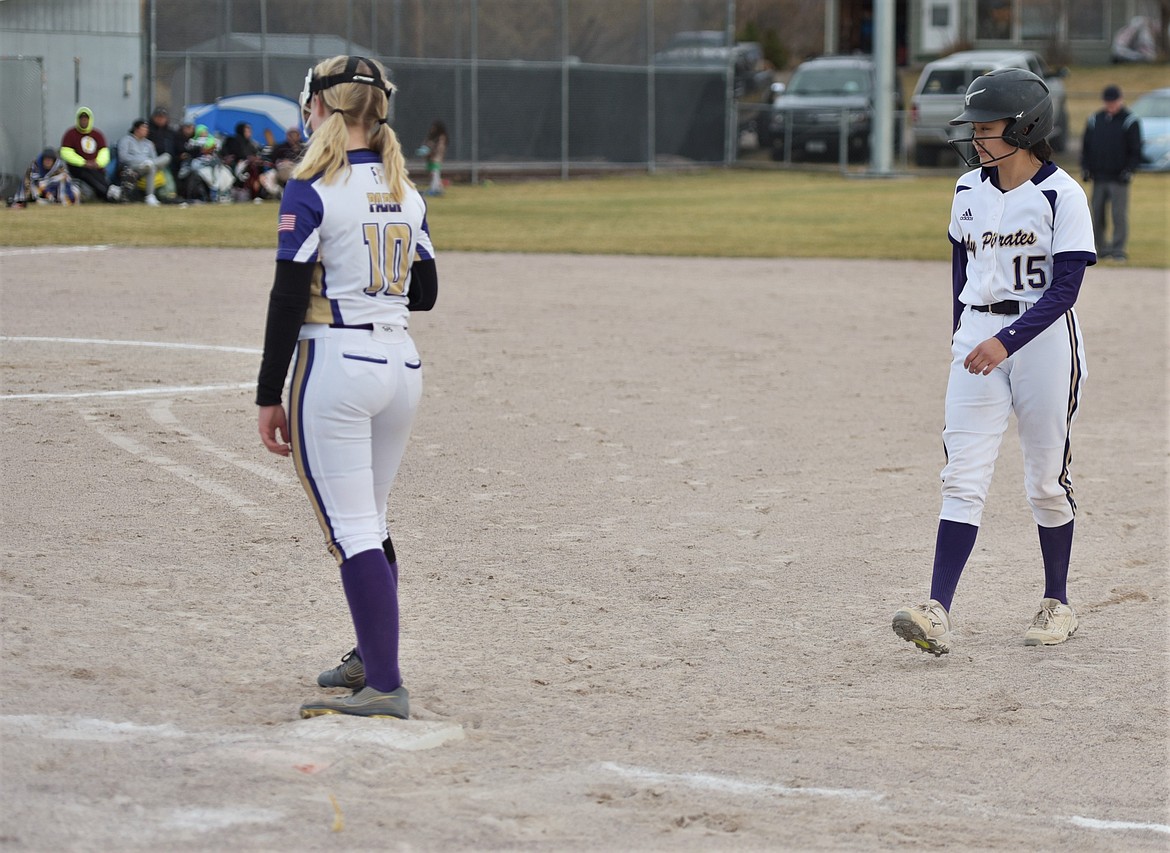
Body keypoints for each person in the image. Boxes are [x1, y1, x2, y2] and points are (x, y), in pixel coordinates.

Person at [256, 55, 438, 719]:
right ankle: (371, 652)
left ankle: (384, 682)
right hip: (401, 366)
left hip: (337, 363)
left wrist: (266, 393)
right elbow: (427, 291)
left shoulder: (312, 186)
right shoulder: (407, 190)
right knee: (373, 519)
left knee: (353, 527)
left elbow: (284, 299)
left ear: (321, 109)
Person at [891, 68, 1096, 656]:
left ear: (1026, 127)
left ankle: (1057, 601)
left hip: (1042, 337)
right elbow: (962, 268)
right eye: (975, 126)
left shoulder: (1063, 193)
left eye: (988, 127)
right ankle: (937, 610)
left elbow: (1065, 290)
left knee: (1045, 481)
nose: (977, 137)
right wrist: (965, 331)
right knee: (962, 475)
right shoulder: (966, 190)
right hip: (979, 335)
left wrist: (1007, 340)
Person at [1081, 85, 1142, 262]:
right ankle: (1101, 248)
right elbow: (1086, 147)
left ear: (1120, 100)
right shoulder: (1095, 119)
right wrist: (1086, 167)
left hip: (1119, 177)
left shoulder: (1129, 120)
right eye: (1108, 102)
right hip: (1099, 176)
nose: (1111, 105)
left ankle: (1118, 249)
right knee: (1097, 213)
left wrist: (1130, 169)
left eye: (1113, 101)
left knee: (1118, 214)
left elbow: (1135, 149)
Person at [59, 106, 122, 202]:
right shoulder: (70, 134)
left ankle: (109, 192)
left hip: (96, 168)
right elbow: (66, 152)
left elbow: (104, 152)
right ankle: (109, 193)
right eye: (82, 119)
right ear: (78, 120)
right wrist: (83, 162)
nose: (84, 121)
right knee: (86, 172)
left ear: (90, 120)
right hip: (77, 168)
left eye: (86, 119)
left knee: (95, 173)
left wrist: (98, 163)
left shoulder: (97, 135)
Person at [116, 119, 174, 205]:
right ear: (136, 129)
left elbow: (154, 158)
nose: (146, 130)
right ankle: (150, 196)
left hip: (149, 165)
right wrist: (142, 161)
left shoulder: (149, 143)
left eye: (147, 129)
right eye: (144, 128)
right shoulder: (126, 140)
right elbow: (123, 157)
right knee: (150, 166)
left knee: (166, 157)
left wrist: (149, 162)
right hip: (134, 166)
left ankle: (150, 195)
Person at [11, 148, 81, 207]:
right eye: (46, 159)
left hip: (54, 190)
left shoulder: (59, 167)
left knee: (70, 184)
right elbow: (29, 182)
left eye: (50, 160)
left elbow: (66, 179)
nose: (48, 162)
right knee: (36, 185)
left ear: (53, 161)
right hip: (38, 192)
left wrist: (49, 184)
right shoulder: (35, 166)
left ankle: (64, 200)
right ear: (42, 160)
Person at [417, 119, 448, 196]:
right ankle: (438, 189)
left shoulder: (441, 137)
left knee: (435, 173)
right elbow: (427, 144)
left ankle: (435, 189)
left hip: (436, 158)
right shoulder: (431, 136)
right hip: (430, 158)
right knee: (432, 173)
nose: (432, 129)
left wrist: (432, 152)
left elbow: (440, 148)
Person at [270, 126, 304, 191]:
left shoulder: (303, 147)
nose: (293, 137)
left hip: (297, 169)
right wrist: (281, 162)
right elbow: (273, 160)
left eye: (295, 135)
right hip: (282, 169)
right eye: (291, 135)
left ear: (299, 136)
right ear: (287, 136)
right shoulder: (280, 147)